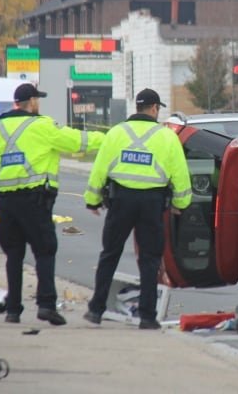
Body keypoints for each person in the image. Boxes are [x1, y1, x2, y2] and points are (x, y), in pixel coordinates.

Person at [0, 83, 105, 325]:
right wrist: (109, 138)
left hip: (8, 204)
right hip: (35, 202)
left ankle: (13, 310)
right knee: (45, 251)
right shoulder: (42, 125)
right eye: (38, 100)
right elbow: (77, 141)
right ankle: (46, 304)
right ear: (32, 102)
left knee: (13, 255)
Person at [82, 88, 192, 329]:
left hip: (120, 201)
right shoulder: (167, 137)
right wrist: (180, 205)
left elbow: (99, 170)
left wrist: (92, 200)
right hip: (152, 204)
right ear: (154, 108)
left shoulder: (116, 133)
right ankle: (147, 317)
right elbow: (181, 177)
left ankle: (96, 309)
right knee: (150, 260)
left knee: (109, 254)